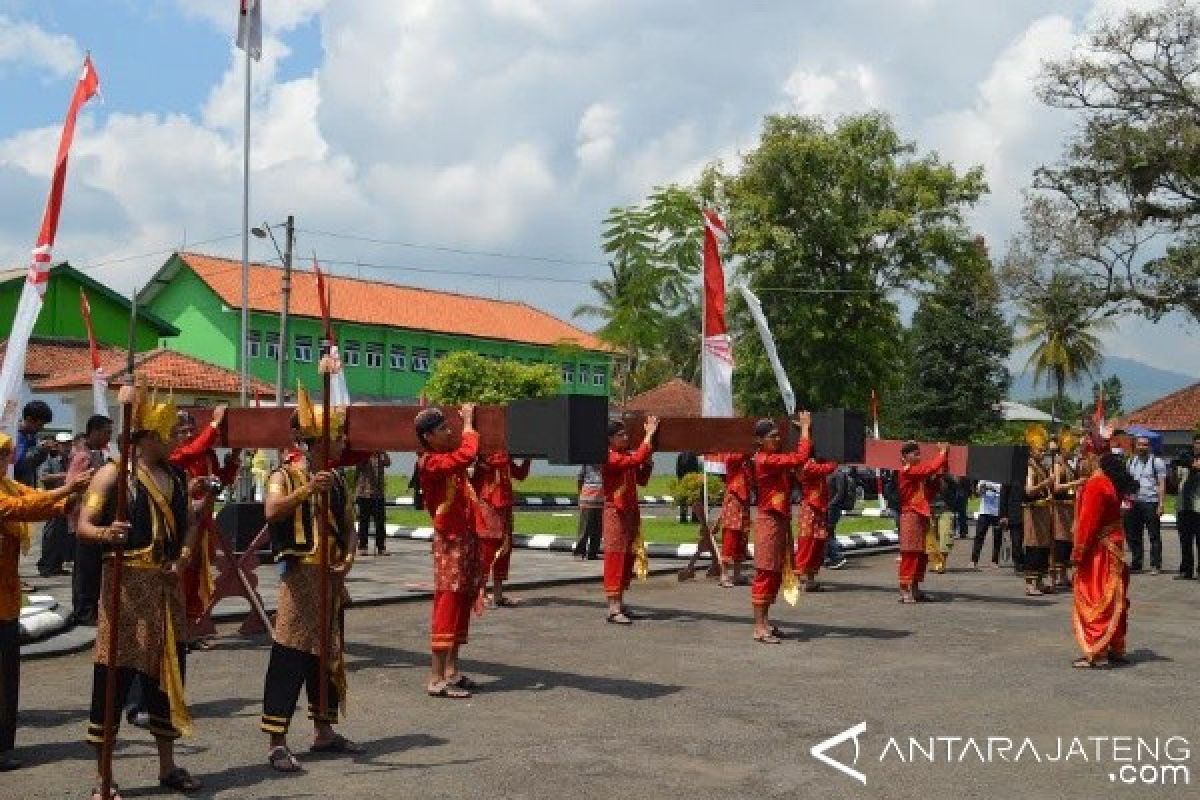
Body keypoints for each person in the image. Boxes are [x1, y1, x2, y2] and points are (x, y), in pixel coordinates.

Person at [78, 390, 204, 796]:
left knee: (166, 679)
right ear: (146, 435)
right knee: (114, 677)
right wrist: (104, 532)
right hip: (126, 591)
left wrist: (185, 554)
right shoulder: (114, 475)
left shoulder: (178, 476)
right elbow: (83, 524)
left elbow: (188, 523)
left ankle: (167, 766)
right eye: (168, 433)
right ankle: (103, 776)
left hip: (166, 590)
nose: (175, 440)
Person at [260, 386, 363, 772]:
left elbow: (350, 527)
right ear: (313, 442)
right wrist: (306, 489)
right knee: (290, 654)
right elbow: (272, 511)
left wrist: (349, 559)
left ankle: (324, 730)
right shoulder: (282, 475)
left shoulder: (337, 480)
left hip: (331, 579)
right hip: (301, 579)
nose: (340, 442)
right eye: (335, 436)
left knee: (328, 655)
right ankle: (277, 740)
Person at [0, 434, 93, 772]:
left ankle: (2, 747)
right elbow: (18, 509)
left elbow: (37, 501)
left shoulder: (8, 485)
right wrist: (67, 489)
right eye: (1, 454)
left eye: (6, 453)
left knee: (7, 677)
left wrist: (72, 496)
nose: (6, 459)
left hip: (7, 597)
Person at [415, 404, 482, 696]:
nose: (450, 431)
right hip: (449, 540)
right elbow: (467, 454)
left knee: (463, 602)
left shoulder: (446, 459)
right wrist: (469, 424)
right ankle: (436, 678)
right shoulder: (429, 462)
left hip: (465, 537)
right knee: (448, 602)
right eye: (443, 428)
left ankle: (452, 671)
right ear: (428, 436)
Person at [169, 405, 241, 649]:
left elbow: (223, 480)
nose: (188, 434)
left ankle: (191, 631)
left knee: (198, 579)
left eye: (191, 429)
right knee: (182, 578)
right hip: (181, 529)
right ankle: (178, 634)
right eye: (183, 431)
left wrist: (233, 460)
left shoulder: (207, 455)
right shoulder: (176, 457)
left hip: (203, 526)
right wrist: (214, 424)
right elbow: (192, 450)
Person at [1071, 435, 1136, 668]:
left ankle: (1097, 652)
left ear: (1091, 457)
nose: (1080, 462)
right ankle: (1115, 647)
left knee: (1096, 596)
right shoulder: (1108, 481)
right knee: (1115, 595)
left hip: (1100, 549)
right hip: (1113, 545)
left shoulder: (1096, 483)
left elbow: (1088, 523)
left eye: (1082, 457)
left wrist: (1078, 554)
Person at [751, 412, 812, 643]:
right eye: (772, 437)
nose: (777, 440)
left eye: (778, 436)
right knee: (765, 572)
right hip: (769, 521)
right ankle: (758, 626)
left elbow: (797, 468)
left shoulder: (774, 459)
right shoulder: (765, 460)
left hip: (780, 521)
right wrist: (805, 430)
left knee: (775, 573)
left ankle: (765, 622)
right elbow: (800, 458)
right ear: (760, 441)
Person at [600, 417, 658, 625]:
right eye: (620, 435)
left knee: (627, 557)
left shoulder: (624, 455)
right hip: (615, 512)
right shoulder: (609, 456)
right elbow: (634, 461)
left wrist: (648, 463)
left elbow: (640, 479)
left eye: (626, 434)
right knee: (615, 557)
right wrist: (649, 435)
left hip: (630, 511)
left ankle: (620, 603)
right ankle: (613, 608)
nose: (625, 438)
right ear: (609, 439)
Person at [472, 449, 531, 607]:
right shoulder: (484, 457)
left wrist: (528, 457)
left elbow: (520, 474)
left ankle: (498, 595)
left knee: (504, 552)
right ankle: (480, 594)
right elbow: (496, 460)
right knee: (487, 551)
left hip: (504, 509)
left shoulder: (504, 458)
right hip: (488, 508)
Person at [70, 416, 113, 626]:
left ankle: (90, 609)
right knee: (85, 570)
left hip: (94, 519)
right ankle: (83, 612)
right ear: (93, 431)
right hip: (84, 519)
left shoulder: (97, 454)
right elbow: (73, 487)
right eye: (106, 432)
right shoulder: (83, 457)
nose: (109, 436)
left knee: (93, 568)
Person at [897, 440, 949, 604]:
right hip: (911, 515)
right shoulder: (907, 471)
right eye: (914, 454)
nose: (918, 456)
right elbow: (929, 468)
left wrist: (937, 478)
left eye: (919, 453)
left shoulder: (917, 475)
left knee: (921, 555)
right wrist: (942, 453)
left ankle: (915, 588)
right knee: (910, 553)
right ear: (905, 457)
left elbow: (928, 493)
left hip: (922, 515)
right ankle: (904, 589)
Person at [794, 454, 838, 592]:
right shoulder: (807, 464)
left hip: (819, 508)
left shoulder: (815, 463)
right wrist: (836, 458)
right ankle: (797, 580)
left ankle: (810, 581)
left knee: (817, 545)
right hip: (810, 509)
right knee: (807, 544)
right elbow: (827, 468)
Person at [1124, 435, 1167, 575]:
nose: (1142, 447)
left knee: (1154, 535)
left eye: (1145, 445)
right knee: (1134, 534)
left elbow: (1162, 484)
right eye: (1140, 445)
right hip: (1134, 501)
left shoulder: (1157, 462)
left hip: (1150, 502)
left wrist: (1161, 504)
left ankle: (1156, 565)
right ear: (1136, 446)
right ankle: (1137, 563)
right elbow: (1128, 482)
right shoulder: (1131, 461)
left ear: (1149, 446)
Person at [34, 433, 74, 577]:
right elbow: (43, 476)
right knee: (50, 535)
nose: (67, 447)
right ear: (57, 446)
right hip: (53, 501)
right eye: (63, 444)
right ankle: (45, 565)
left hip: (66, 503)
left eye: (69, 444)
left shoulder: (71, 461)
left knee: (62, 536)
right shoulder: (50, 461)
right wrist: (65, 475)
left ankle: (56, 565)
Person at [1022, 427, 1055, 596]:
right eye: (1040, 450)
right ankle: (1030, 584)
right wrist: (1046, 483)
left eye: (1044, 450)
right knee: (1033, 547)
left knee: (1043, 548)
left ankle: (1040, 581)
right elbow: (1028, 490)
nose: (1043, 453)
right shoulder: (1029, 467)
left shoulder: (1041, 466)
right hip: (1033, 512)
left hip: (1043, 511)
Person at [1051, 433, 1085, 589]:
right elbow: (1057, 486)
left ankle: (1064, 574)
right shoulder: (1058, 464)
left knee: (1068, 540)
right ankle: (1059, 575)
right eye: (1070, 449)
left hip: (1069, 507)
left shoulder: (1069, 464)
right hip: (1060, 507)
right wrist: (1076, 483)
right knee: (1060, 540)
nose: (1072, 452)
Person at [713, 452, 752, 588]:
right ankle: (724, 574)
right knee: (730, 537)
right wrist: (746, 451)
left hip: (744, 501)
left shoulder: (747, 460)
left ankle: (737, 574)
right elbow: (731, 458)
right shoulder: (731, 454)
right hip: (734, 499)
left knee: (742, 537)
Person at [355, 450, 392, 556]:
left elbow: (388, 463)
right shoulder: (363, 455)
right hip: (364, 494)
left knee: (380, 522)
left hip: (378, 495)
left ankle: (381, 547)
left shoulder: (381, 456)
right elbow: (360, 464)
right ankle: (362, 546)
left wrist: (383, 452)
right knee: (364, 522)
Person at [1175, 435, 1200, 580]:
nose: (1198, 446)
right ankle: (1186, 570)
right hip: (1183, 507)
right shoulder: (1186, 461)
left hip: (1198, 508)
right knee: (1185, 541)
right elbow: (1176, 482)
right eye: (1196, 443)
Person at [12, 401, 53, 487]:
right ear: (29, 419)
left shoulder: (31, 436)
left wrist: (44, 451)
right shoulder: (15, 437)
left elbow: (32, 465)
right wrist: (40, 450)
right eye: (40, 424)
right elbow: (18, 465)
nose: (41, 428)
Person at [968, 480, 1003, 570]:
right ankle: (974, 560)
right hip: (984, 511)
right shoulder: (983, 479)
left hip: (998, 512)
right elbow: (978, 494)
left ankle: (995, 561)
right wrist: (981, 489)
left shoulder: (1002, 478)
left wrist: (992, 487)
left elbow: (1004, 492)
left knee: (997, 537)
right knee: (979, 536)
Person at [572, 464, 603, 561]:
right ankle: (580, 551)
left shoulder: (607, 459)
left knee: (597, 528)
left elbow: (579, 478)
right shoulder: (587, 461)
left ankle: (592, 552)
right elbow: (580, 477)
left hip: (600, 497)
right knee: (585, 527)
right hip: (589, 496)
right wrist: (580, 495)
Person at [823, 469, 850, 570]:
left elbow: (840, 493)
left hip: (833, 509)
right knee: (828, 532)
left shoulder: (838, 474)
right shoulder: (826, 473)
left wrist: (830, 505)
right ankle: (828, 557)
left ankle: (837, 556)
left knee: (828, 532)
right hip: (826, 507)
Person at [675, 451, 701, 523]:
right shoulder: (693, 456)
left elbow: (678, 470)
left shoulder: (680, 456)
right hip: (692, 480)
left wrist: (680, 480)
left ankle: (683, 517)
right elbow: (696, 469)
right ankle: (694, 517)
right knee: (694, 499)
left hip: (682, 480)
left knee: (683, 500)